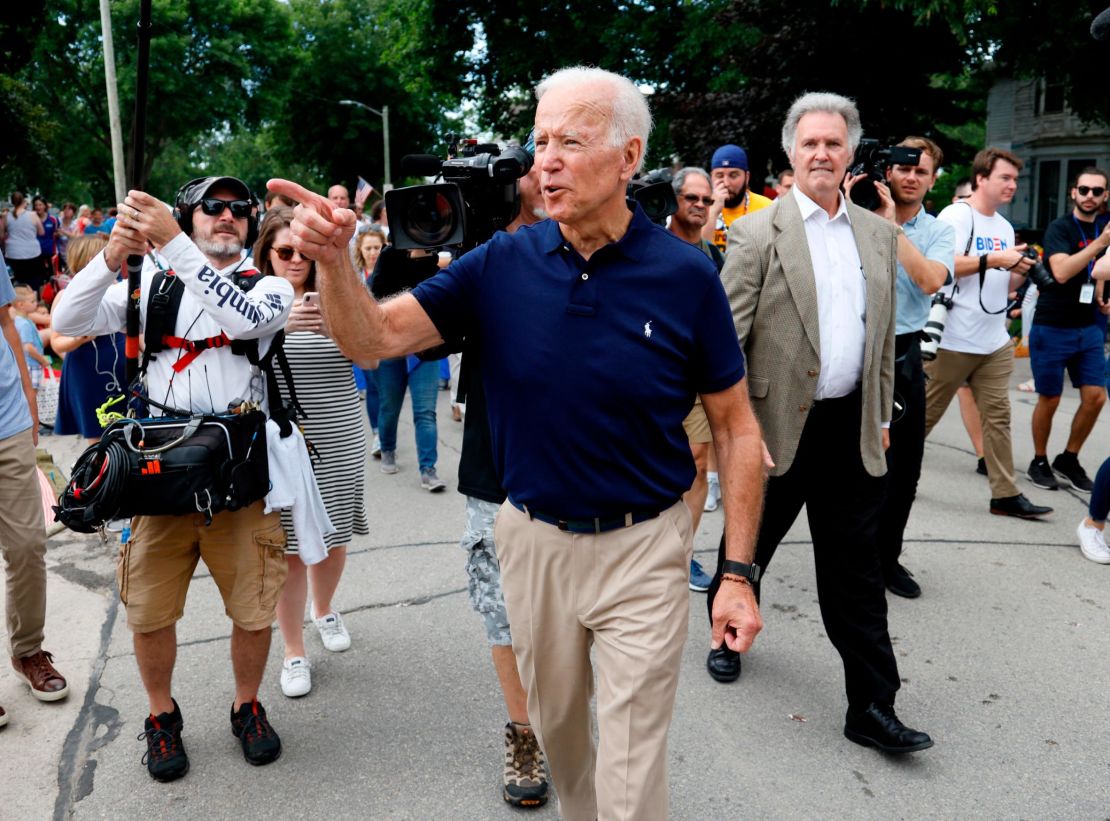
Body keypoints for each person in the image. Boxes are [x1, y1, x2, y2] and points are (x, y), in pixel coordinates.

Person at [270, 64, 766, 821]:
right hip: (531, 543)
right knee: (566, 751)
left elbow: (735, 426)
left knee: (632, 783)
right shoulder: (502, 264)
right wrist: (337, 262)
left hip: (644, 545)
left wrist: (736, 571)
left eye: (572, 139)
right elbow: (371, 340)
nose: (547, 160)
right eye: (541, 141)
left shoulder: (685, 275)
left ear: (629, 157)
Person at [708, 91, 933, 754]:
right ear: (791, 151)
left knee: (857, 574)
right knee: (747, 546)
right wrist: (729, 433)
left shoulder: (878, 233)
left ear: (850, 152)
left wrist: (883, 415)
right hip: (773, 428)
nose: (822, 154)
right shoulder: (757, 232)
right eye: (810, 143)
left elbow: (882, 335)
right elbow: (725, 344)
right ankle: (725, 630)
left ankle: (871, 704)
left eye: (834, 143)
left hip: (850, 430)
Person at [52, 175, 294, 782]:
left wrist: (172, 243)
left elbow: (240, 323)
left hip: (239, 479)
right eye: (211, 207)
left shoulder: (269, 287)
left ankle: (247, 704)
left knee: (254, 608)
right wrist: (113, 254)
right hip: (158, 478)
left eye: (239, 209)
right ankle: (162, 716)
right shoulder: (146, 287)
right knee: (150, 612)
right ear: (188, 215)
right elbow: (67, 318)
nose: (227, 216)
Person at [450, 158, 550, 807]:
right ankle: (524, 731)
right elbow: (402, 325)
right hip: (498, 463)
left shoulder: (614, 247)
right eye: (539, 159)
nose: (552, 170)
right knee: (503, 606)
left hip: (589, 468)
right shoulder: (482, 254)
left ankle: (564, 714)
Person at [251, 207, 369, 698]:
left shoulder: (340, 293)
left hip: (341, 431)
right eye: (285, 251)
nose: (296, 260)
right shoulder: (251, 300)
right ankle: (293, 651)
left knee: (336, 534)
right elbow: (239, 370)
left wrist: (340, 326)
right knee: (293, 550)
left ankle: (325, 610)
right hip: (284, 440)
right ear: (267, 254)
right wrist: (283, 329)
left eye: (304, 252)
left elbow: (373, 359)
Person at [846, 137, 954, 599]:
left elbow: (930, 279)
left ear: (932, 180)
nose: (910, 177)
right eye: (903, 168)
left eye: (921, 171)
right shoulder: (852, 210)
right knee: (843, 461)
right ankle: (846, 555)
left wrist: (892, 227)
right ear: (887, 171)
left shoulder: (937, 231)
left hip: (903, 350)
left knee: (902, 467)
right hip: (850, 347)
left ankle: (886, 558)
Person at [927, 149, 1053, 519]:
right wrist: (998, 259)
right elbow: (941, 267)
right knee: (921, 419)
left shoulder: (1003, 225)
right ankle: (883, 480)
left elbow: (1002, 282)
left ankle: (1005, 494)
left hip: (993, 340)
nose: (1013, 185)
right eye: (1005, 178)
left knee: (998, 417)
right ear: (982, 178)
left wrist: (1023, 270)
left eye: (1015, 179)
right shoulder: (956, 215)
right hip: (951, 340)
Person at [0, 248, 70, 732]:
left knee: (28, 544)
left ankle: (29, 653)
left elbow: (5, 322)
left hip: (6, 421)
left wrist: (27, 396)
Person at [1025, 168, 1110, 492]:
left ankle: (1069, 458)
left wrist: (1102, 293)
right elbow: (1060, 271)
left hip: (1088, 326)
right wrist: (1100, 243)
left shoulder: (1104, 225)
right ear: (1073, 192)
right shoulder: (1060, 228)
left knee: (1095, 397)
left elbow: (1100, 267)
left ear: (1105, 196)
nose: (1090, 196)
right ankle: (1040, 460)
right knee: (1050, 397)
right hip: (1053, 324)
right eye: (1084, 189)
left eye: (1097, 191)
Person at [668, 166, 724, 592]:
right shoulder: (651, 245)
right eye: (693, 198)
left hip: (699, 379)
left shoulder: (714, 256)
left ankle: (682, 556)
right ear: (674, 199)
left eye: (706, 200)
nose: (701, 206)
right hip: (654, 378)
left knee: (698, 463)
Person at [50, 234, 125, 443]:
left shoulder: (118, 289)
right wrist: (79, 338)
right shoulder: (66, 297)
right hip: (86, 370)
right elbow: (56, 342)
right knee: (96, 433)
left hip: (121, 366)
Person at [703, 143, 773, 254]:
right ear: (711, 177)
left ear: (747, 177)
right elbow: (700, 253)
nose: (726, 183)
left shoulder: (767, 208)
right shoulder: (701, 207)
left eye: (733, 175)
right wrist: (713, 212)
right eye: (719, 175)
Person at [353, 227, 387, 456]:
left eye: (378, 247)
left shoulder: (392, 271)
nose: (373, 252)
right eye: (369, 248)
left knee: (387, 392)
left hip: (388, 339)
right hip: (364, 339)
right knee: (373, 388)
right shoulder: (355, 276)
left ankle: (387, 433)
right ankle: (377, 433)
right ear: (360, 250)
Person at [5, 192, 46, 291]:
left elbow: (1, 235)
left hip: (13, 253)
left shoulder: (6, 216)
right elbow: (42, 232)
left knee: (16, 279)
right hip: (32, 253)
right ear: (23, 201)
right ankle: (33, 297)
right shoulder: (32, 215)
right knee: (33, 279)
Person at [32, 197, 59, 282]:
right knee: (38, 277)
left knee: (51, 277)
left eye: (40, 204)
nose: (38, 207)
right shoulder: (31, 219)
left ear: (45, 206)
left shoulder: (53, 219)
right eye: (36, 205)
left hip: (50, 252)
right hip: (35, 253)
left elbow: (57, 233)